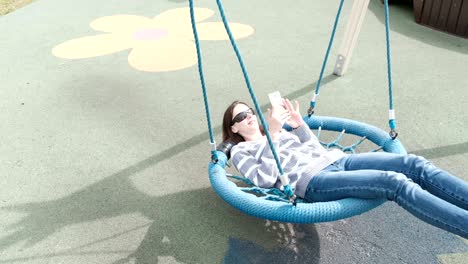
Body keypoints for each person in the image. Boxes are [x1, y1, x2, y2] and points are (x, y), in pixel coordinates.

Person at [220, 99, 468, 238]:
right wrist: (273, 132)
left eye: (249, 112)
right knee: (395, 182)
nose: (248, 117)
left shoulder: (278, 131)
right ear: (233, 128)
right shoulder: (241, 151)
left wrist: (297, 125)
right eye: (240, 117)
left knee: (414, 164)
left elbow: (314, 149)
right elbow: (263, 179)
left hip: (337, 159)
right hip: (314, 179)